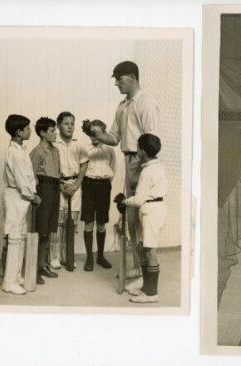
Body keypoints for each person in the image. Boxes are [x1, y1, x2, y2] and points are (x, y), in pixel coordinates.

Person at [82, 61, 159, 291]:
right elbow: (114, 138)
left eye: (119, 78)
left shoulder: (146, 103)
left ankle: (146, 276)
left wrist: (143, 170)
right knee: (132, 219)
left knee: (143, 217)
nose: (116, 83)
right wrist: (94, 132)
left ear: (132, 77)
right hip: (130, 160)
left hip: (142, 161)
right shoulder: (122, 106)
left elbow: (152, 142)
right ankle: (138, 267)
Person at [116, 133, 168, 303]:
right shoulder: (158, 166)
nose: (136, 150)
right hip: (156, 208)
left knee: (150, 250)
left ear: (143, 151)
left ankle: (152, 294)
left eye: (138, 147)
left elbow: (138, 199)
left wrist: (123, 201)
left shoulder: (147, 172)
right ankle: (146, 287)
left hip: (151, 210)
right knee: (142, 248)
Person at [2, 114, 41, 294]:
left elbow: (29, 175)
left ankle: (16, 277)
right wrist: (32, 196)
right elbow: (20, 179)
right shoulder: (14, 152)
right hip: (16, 196)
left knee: (21, 238)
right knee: (15, 239)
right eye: (27, 128)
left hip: (23, 197)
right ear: (18, 132)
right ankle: (8, 282)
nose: (30, 131)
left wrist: (32, 192)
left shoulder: (22, 149)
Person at [51, 111, 88, 270]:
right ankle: (54, 257)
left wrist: (76, 185)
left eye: (72, 124)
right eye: (66, 123)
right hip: (59, 185)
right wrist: (61, 185)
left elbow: (84, 164)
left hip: (74, 187)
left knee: (70, 224)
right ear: (58, 126)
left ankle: (68, 255)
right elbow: (51, 168)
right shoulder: (53, 144)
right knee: (57, 223)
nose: (70, 127)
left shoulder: (79, 144)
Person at [81, 120, 116, 271]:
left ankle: (100, 256)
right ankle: (89, 257)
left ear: (103, 133)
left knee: (101, 222)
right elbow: (81, 168)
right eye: (92, 132)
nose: (94, 135)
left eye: (98, 132)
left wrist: (104, 182)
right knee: (88, 221)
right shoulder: (85, 149)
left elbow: (112, 168)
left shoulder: (109, 150)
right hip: (88, 186)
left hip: (103, 187)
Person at [30, 117, 61, 284]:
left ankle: (42, 264)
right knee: (39, 229)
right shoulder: (37, 151)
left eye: (55, 130)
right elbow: (31, 174)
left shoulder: (55, 150)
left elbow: (58, 172)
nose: (55, 133)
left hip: (55, 189)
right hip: (43, 190)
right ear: (42, 133)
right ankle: (33, 268)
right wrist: (36, 194)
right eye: (52, 131)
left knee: (48, 229)